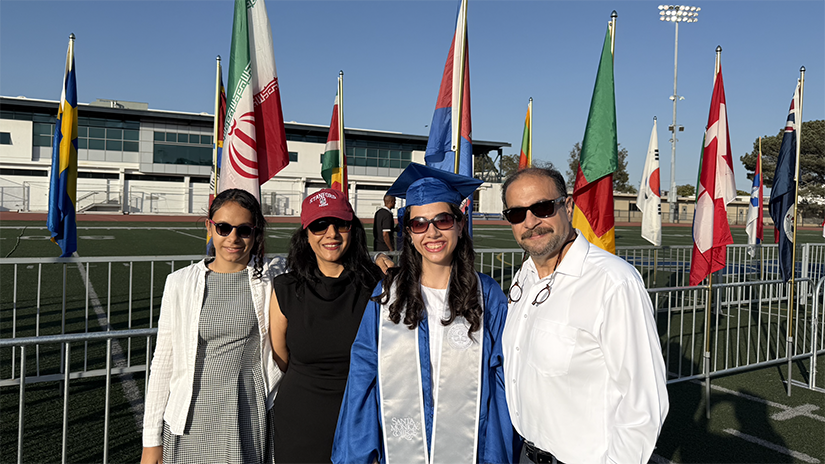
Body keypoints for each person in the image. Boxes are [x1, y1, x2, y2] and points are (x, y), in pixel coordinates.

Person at [332, 163, 516, 464]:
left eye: (442, 220)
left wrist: (495, 457)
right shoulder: (387, 296)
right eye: (419, 223)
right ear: (409, 233)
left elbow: (501, 388)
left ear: (459, 224)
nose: (431, 232)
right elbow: (363, 378)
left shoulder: (487, 296)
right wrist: (360, 454)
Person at [500, 167, 669, 464]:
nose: (530, 221)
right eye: (517, 214)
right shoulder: (524, 276)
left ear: (567, 206)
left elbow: (642, 402)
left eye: (542, 207)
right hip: (527, 454)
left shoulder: (612, 281)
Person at [141, 188, 282, 464]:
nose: (233, 238)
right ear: (210, 227)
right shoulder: (180, 282)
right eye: (223, 227)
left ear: (256, 233)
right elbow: (163, 362)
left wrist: (377, 260)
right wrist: (151, 441)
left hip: (244, 412)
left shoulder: (273, 275)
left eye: (244, 230)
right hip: (190, 415)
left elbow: (328, 265)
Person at [269, 188, 385, 463]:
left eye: (340, 224)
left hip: (361, 419)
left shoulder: (376, 285)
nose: (331, 233)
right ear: (306, 233)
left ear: (352, 229)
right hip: (300, 422)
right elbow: (280, 355)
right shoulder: (286, 289)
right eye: (320, 225)